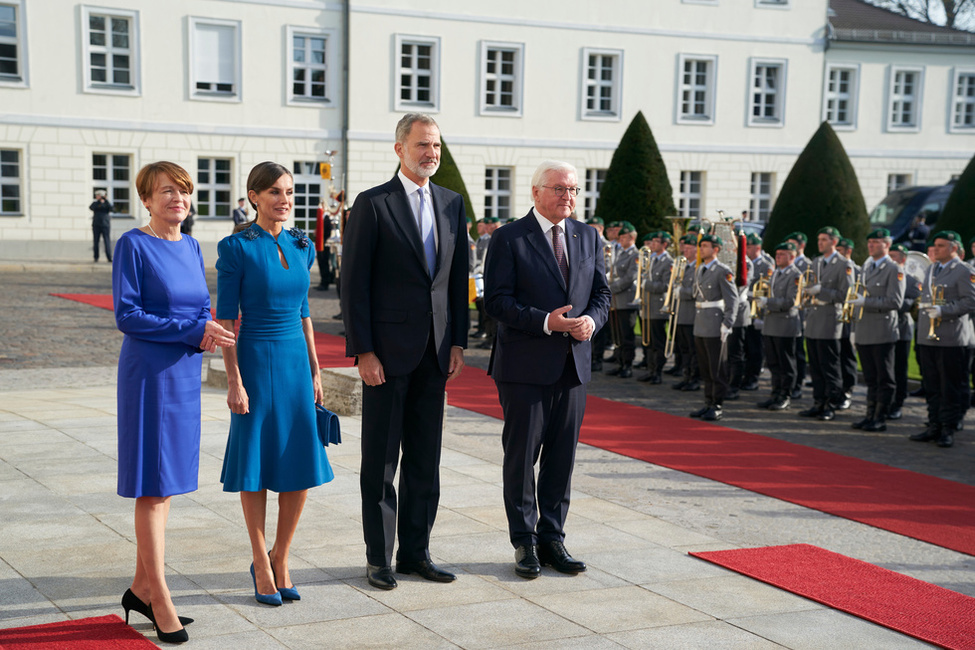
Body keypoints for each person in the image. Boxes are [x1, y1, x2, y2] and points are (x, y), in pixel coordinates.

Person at [341, 113, 468, 590]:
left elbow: (458, 280)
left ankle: (417, 552)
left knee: (424, 461)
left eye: (435, 145)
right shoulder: (373, 204)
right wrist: (364, 352)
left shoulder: (453, 204)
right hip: (386, 356)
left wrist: (458, 340)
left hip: (435, 354)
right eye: (421, 145)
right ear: (399, 149)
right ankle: (380, 557)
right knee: (381, 462)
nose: (430, 153)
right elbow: (354, 286)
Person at [113, 161, 236, 644]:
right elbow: (128, 315)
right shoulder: (132, 244)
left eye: (183, 191)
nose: (176, 199)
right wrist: (193, 330)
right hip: (148, 374)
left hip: (184, 370)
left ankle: (141, 588)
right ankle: (160, 599)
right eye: (165, 192)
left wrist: (209, 331)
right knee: (153, 485)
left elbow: (200, 306)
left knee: (169, 482)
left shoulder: (190, 244)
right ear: (146, 199)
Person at [484, 160, 610, 579]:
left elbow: (602, 294)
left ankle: (553, 537)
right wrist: (545, 321)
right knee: (522, 458)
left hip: (574, 366)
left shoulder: (588, 236)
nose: (568, 197)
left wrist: (593, 320)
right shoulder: (509, 238)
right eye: (559, 189)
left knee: (562, 458)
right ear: (536, 192)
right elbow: (497, 301)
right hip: (524, 366)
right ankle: (524, 541)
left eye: (573, 190)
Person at [216, 161, 335, 606]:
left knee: (299, 459)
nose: (283, 199)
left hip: (294, 363)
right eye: (273, 193)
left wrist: (316, 369)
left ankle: (281, 554)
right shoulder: (236, 248)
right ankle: (260, 561)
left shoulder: (303, 244)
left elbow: (305, 312)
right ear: (254, 198)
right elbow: (225, 318)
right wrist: (234, 379)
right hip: (254, 358)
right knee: (256, 463)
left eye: (288, 192)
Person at [912, 230, 975, 448]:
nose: (935, 249)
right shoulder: (932, 269)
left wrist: (944, 310)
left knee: (950, 385)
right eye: (935, 245)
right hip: (929, 336)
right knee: (932, 384)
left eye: (940, 245)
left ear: (953, 248)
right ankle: (934, 424)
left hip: (951, 337)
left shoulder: (964, 270)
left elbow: (970, 302)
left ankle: (948, 427)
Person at [849, 228, 905, 432]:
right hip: (864, 328)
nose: (871, 245)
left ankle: (880, 417)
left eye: (876, 242)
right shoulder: (867, 267)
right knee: (871, 378)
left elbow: (895, 301)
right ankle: (869, 415)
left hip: (882, 330)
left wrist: (867, 302)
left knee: (884, 377)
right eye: (870, 242)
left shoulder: (894, 269)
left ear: (887, 245)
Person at [800, 227, 854, 421]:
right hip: (814, 316)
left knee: (829, 365)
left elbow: (845, 294)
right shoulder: (816, 262)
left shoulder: (843, 264)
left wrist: (821, 291)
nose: (820, 243)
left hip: (831, 318)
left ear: (833, 242)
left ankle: (831, 403)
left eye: (824, 240)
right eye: (819, 239)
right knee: (814, 364)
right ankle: (818, 401)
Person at [689, 233, 738, 421]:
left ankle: (717, 405)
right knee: (705, 367)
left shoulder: (722, 270)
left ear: (716, 249)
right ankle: (708, 402)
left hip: (715, 324)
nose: (702, 249)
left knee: (717, 367)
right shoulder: (700, 268)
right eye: (701, 246)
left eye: (706, 246)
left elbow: (732, 300)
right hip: (701, 323)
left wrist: (727, 323)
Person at [757, 242, 802, 411]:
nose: (778, 257)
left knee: (786, 363)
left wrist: (767, 302)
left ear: (792, 256)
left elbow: (791, 301)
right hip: (771, 324)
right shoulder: (776, 272)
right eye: (777, 254)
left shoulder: (795, 275)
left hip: (785, 324)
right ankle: (775, 394)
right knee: (773, 363)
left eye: (782, 254)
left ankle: (785, 396)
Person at [888, 243, 922, 420]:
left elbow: (914, 303)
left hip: (902, 329)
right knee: (885, 369)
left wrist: (887, 302)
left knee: (899, 369)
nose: (890, 258)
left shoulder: (911, 280)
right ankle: (885, 402)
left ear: (903, 259)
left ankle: (898, 403)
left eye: (894, 256)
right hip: (884, 329)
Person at [639, 231, 673, 383]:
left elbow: (666, 286)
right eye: (651, 242)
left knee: (658, 341)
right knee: (649, 342)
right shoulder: (650, 259)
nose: (652, 244)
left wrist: (648, 285)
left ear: (664, 244)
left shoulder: (668, 262)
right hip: (647, 306)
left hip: (658, 306)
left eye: (656, 242)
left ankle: (657, 371)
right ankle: (650, 369)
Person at [606, 221, 639, 378]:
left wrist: (611, 288)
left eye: (624, 237)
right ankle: (619, 362)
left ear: (632, 238)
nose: (620, 239)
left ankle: (627, 365)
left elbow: (630, 278)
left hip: (627, 300)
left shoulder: (636, 255)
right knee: (617, 334)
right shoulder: (620, 252)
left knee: (626, 335)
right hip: (616, 300)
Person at [742, 233, 772, 391]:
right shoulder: (744, 263)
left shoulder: (766, 266)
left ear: (758, 248)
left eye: (749, 247)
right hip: (744, 310)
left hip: (757, 311)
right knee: (745, 346)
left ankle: (753, 378)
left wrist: (753, 295)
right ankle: (745, 375)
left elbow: (767, 289)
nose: (746, 249)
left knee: (755, 348)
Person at [673, 234, 700, 391]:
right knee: (683, 348)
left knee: (692, 349)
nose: (686, 250)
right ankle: (686, 375)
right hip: (680, 312)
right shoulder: (681, 264)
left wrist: (681, 291)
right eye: (686, 247)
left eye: (690, 248)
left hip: (691, 314)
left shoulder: (698, 268)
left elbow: (696, 291)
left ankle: (694, 378)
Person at [787, 231, 810, 399]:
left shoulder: (807, 264)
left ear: (801, 246)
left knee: (798, 351)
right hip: (787, 314)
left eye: (793, 244)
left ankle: (798, 383)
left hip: (801, 312)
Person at [836, 238, 859, 405]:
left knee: (847, 354)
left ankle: (848, 390)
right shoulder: (834, 267)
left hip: (849, 318)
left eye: (840, 250)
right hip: (835, 317)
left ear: (848, 251)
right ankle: (837, 388)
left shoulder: (855, 270)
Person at [90, 190, 114, 262]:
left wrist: (105, 200)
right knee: (96, 241)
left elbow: (112, 209)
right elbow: (91, 207)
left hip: (105, 225)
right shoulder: (95, 203)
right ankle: (96, 257)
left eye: (98, 195)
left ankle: (109, 257)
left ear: (101, 196)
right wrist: (100, 203)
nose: (96, 196)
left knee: (107, 241)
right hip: (96, 225)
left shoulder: (107, 204)